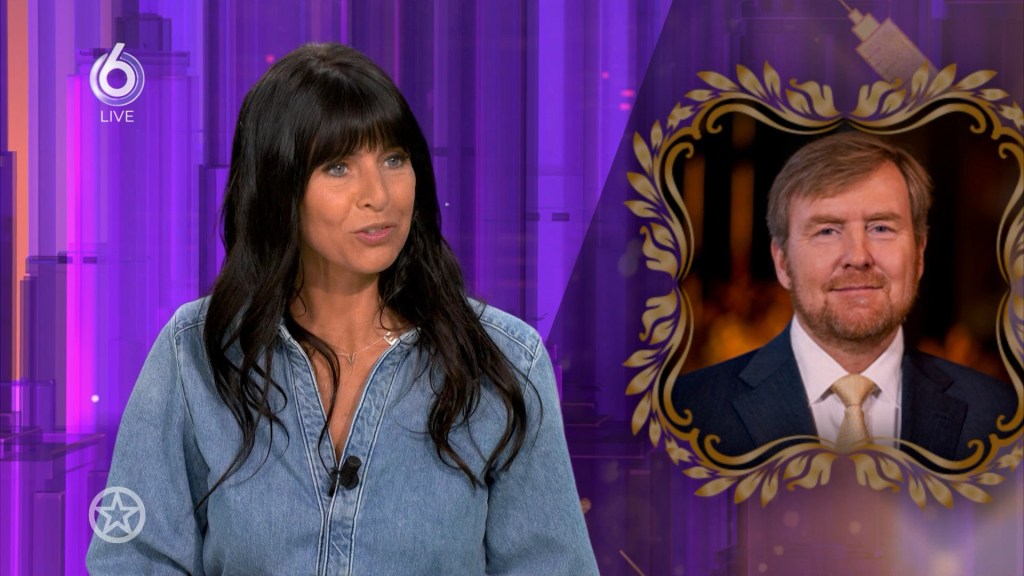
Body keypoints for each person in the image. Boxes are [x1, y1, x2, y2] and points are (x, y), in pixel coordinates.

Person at [87, 43, 598, 575]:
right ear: (279, 186)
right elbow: (132, 561)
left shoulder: (503, 362)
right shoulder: (195, 353)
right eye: (338, 167)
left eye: (394, 160)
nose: (378, 195)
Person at [671, 131, 1017, 464]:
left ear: (919, 255)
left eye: (881, 228)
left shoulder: (1000, 415)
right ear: (782, 262)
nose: (858, 256)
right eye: (827, 231)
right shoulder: (686, 412)